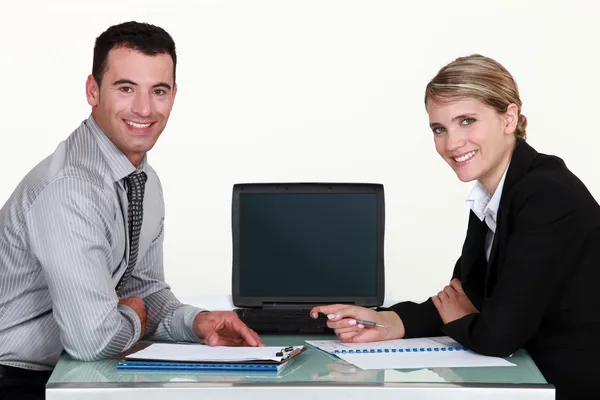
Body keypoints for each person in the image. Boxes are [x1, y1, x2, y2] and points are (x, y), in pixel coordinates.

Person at [311, 54, 600, 399]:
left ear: (508, 118)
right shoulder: (495, 195)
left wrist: (467, 316)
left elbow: (498, 334)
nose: (451, 143)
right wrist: (389, 322)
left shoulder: (545, 195)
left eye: (467, 120)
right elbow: (465, 298)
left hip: (571, 384)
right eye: (440, 128)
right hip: (531, 379)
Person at [0, 21, 263, 399]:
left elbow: (143, 289)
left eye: (158, 91)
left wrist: (196, 321)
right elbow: (92, 339)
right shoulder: (69, 189)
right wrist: (133, 317)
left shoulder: (143, 179)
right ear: (93, 90)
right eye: (126, 88)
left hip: (80, 375)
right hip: (20, 379)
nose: (144, 108)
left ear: (174, 95)